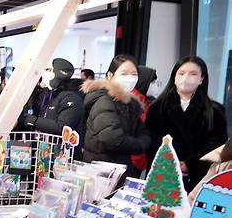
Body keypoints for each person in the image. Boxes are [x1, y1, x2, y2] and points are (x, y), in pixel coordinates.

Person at [145, 56, 227, 192]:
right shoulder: (157, 107)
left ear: (202, 79)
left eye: (193, 74)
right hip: (163, 174)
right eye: (181, 73)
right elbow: (151, 140)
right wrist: (171, 163)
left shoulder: (215, 110)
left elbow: (217, 144)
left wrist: (191, 164)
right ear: (175, 77)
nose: (186, 78)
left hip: (198, 177)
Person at [82, 54, 151, 177]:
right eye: (124, 74)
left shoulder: (128, 102)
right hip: (103, 173)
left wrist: (142, 141)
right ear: (110, 75)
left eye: (134, 74)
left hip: (118, 168)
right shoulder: (104, 100)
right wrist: (140, 145)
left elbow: (143, 131)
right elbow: (113, 139)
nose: (130, 78)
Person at [22, 58, 84, 158]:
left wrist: (32, 121)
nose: (44, 73)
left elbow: (62, 127)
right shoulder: (46, 94)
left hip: (63, 157)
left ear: (58, 73)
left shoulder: (72, 98)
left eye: (48, 70)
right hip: (44, 154)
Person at [129, 66, 157, 174]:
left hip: (140, 157)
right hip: (132, 158)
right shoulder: (132, 101)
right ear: (144, 81)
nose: (155, 86)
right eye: (152, 82)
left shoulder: (146, 101)